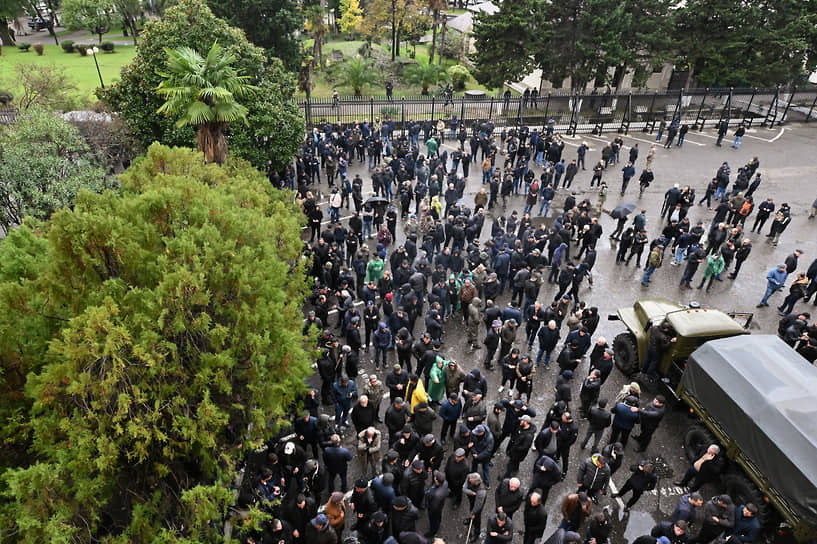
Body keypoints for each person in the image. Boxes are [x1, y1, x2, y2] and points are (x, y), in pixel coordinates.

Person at [463, 472, 488, 542]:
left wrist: (473, 513)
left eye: (471, 480)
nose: (469, 480)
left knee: (477, 517)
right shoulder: (469, 476)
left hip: (478, 502)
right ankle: (471, 519)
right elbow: (464, 488)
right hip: (472, 499)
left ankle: (476, 533)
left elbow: (478, 505)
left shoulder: (481, 491)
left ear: (476, 483)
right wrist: (471, 493)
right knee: (471, 508)